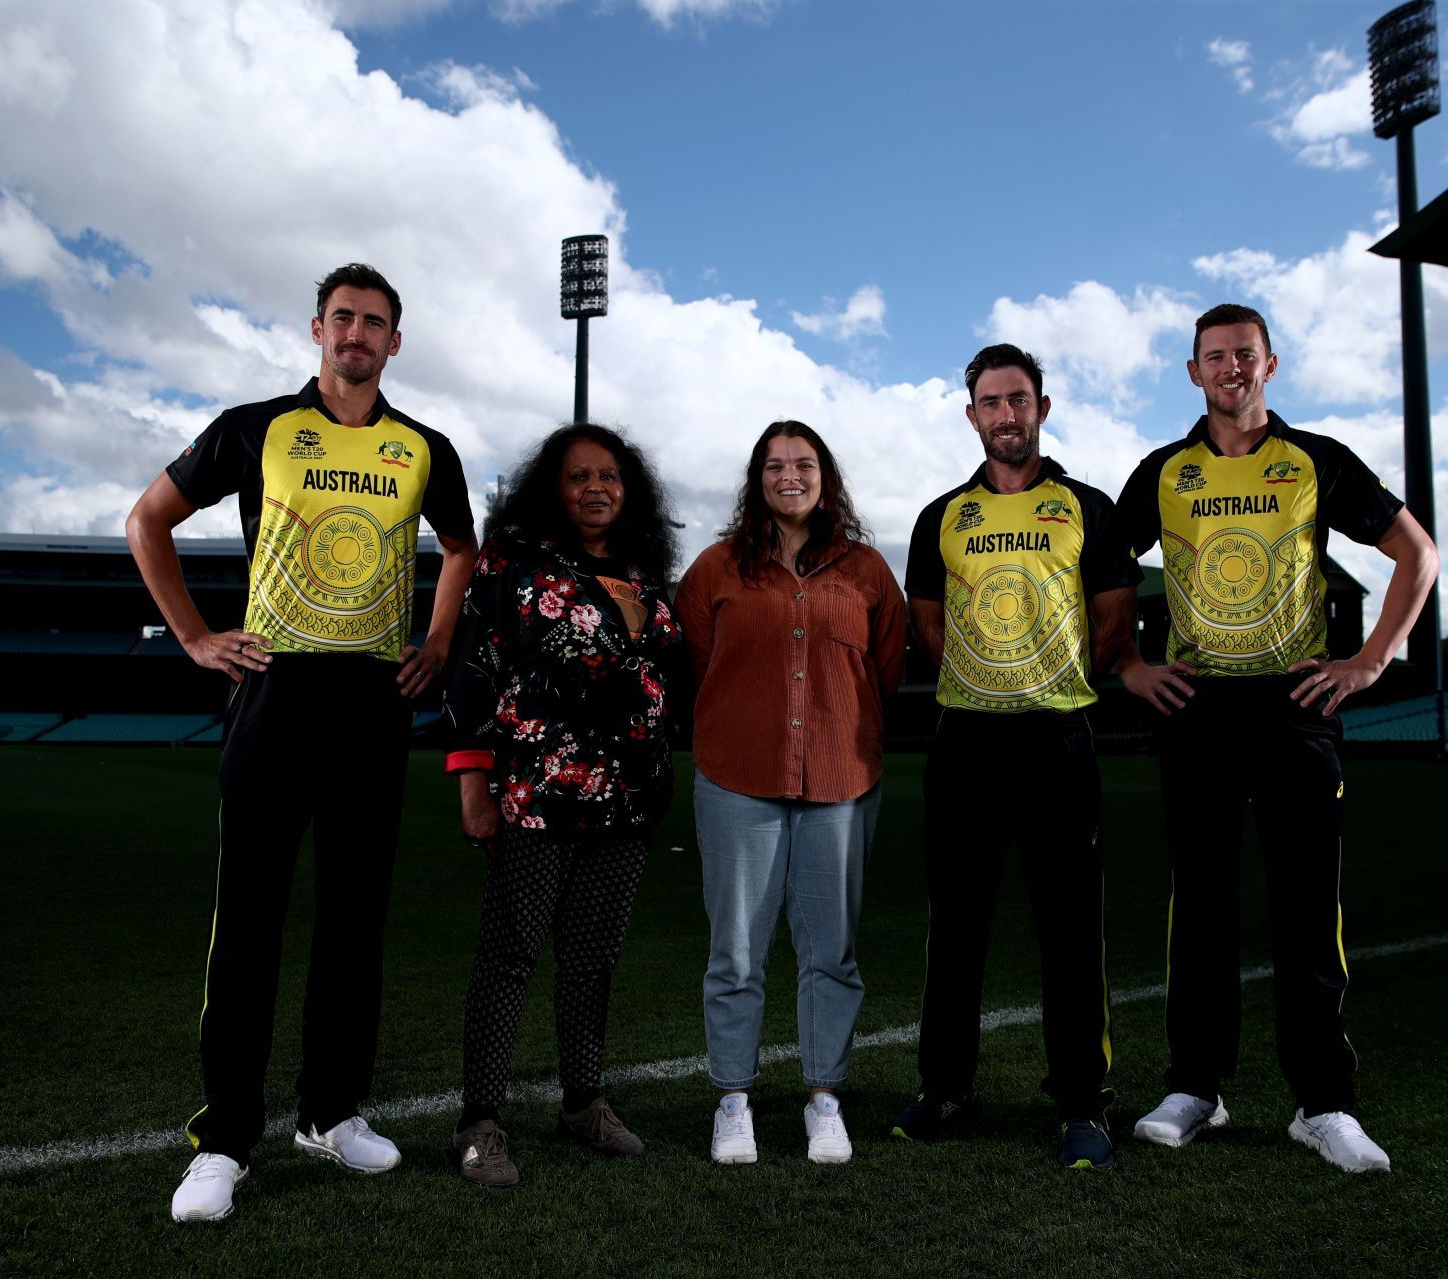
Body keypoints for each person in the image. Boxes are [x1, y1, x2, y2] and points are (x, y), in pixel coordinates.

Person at [127, 263, 478, 1223]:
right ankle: (225, 1139)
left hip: (372, 698)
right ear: (316, 331)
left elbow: (460, 549)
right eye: (343, 319)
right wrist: (198, 638)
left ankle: (330, 1112)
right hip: (272, 690)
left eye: (374, 323)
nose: (356, 334)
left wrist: (439, 640)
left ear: (395, 343)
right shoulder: (257, 428)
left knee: (354, 919)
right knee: (247, 918)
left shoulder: (426, 448)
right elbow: (148, 519)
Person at [1098, 303, 1438, 1173]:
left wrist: (1368, 660)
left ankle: (1323, 1103)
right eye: (1215, 357)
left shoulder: (1315, 460)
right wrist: (1129, 664)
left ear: (1270, 364)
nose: (1231, 369)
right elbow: (1095, 569)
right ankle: (1196, 1088)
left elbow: (1417, 552)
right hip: (1197, 711)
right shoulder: (1166, 471)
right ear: (1193, 371)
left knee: (1304, 908)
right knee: (1201, 907)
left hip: (1296, 707)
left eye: (1244, 355)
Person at [893, 344, 1140, 1170]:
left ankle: (1082, 1102)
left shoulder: (1087, 508)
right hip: (964, 739)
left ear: (1041, 406)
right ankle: (944, 1086)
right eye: (991, 402)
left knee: (1071, 928)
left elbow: (1114, 621)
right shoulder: (941, 518)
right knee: (956, 923)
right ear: (972, 415)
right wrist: (985, 680)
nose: (1006, 414)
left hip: (1060, 738)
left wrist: (1049, 682)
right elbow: (926, 625)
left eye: (1019, 399)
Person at [442, 423, 683, 1188]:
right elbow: (471, 667)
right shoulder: (513, 560)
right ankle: (478, 1120)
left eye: (608, 475)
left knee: (591, 958)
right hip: (536, 792)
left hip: (629, 796)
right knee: (511, 954)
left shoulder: (646, 568)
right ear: (554, 487)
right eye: (578, 477)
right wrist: (471, 777)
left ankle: (583, 1103)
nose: (595, 488)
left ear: (629, 486)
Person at [676, 421, 907, 1166]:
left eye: (803, 463)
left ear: (824, 477)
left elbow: (888, 668)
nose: (789, 475)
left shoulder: (868, 569)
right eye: (774, 465)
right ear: (756, 480)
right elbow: (696, 662)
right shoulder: (715, 567)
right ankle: (734, 1101)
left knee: (831, 952)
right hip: (738, 778)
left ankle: (824, 1098)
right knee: (736, 951)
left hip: (840, 780)